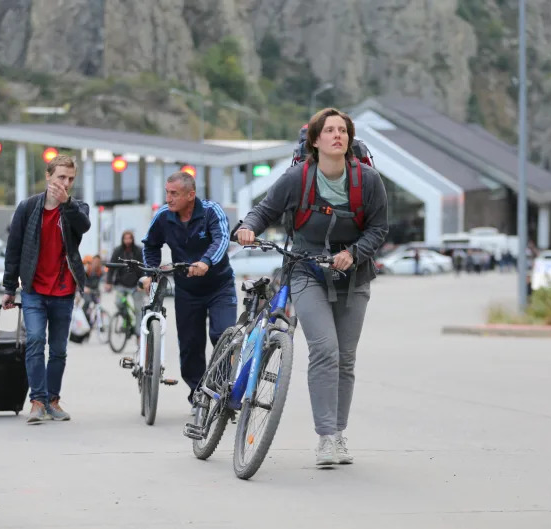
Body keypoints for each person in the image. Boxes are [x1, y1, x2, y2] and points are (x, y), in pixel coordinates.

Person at [236, 108, 388, 467]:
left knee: (345, 359)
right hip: (307, 271)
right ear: (315, 140)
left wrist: (354, 253)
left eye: (343, 131)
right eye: (330, 130)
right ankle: (325, 438)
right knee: (325, 349)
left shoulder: (367, 181)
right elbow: (265, 210)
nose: (338, 136)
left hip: (354, 276)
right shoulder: (297, 178)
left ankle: (338, 434)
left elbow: (379, 229)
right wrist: (248, 228)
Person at [1, 154, 90, 424]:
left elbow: (84, 226)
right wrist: (8, 288)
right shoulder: (28, 208)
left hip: (63, 290)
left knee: (59, 349)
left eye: (71, 179)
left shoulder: (76, 208)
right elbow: (13, 248)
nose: (65, 183)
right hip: (34, 290)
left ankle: (53, 400)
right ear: (48, 176)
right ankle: (37, 401)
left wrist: (68, 205)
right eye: (61, 177)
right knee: (36, 340)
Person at [141, 171, 237, 412]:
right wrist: (152, 273)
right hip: (187, 291)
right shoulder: (163, 216)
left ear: (191, 195)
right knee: (190, 346)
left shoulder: (211, 211)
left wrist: (206, 262)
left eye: (174, 194)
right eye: (167, 192)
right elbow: (150, 244)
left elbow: (222, 239)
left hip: (219, 287)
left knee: (223, 335)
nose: (169, 198)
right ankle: (198, 394)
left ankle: (221, 389)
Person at [105, 230, 145, 343]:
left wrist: (142, 283)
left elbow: (143, 267)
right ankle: (125, 320)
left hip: (135, 285)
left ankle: (138, 334)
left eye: (129, 238)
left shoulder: (138, 251)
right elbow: (111, 267)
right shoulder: (118, 251)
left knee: (138, 310)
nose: (127, 241)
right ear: (122, 239)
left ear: (133, 239)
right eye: (125, 238)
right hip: (121, 284)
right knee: (118, 303)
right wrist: (108, 282)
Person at [83, 255, 104, 324]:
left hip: (95, 290)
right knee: (87, 302)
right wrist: (84, 287)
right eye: (95, 261)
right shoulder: (88, 269)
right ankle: (86, 319)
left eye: (98, 262)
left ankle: (99, 322)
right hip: (86, 289)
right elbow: (82, 279)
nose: (96, 263)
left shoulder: (100, 271)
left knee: (98, 306)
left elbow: (101, 282)